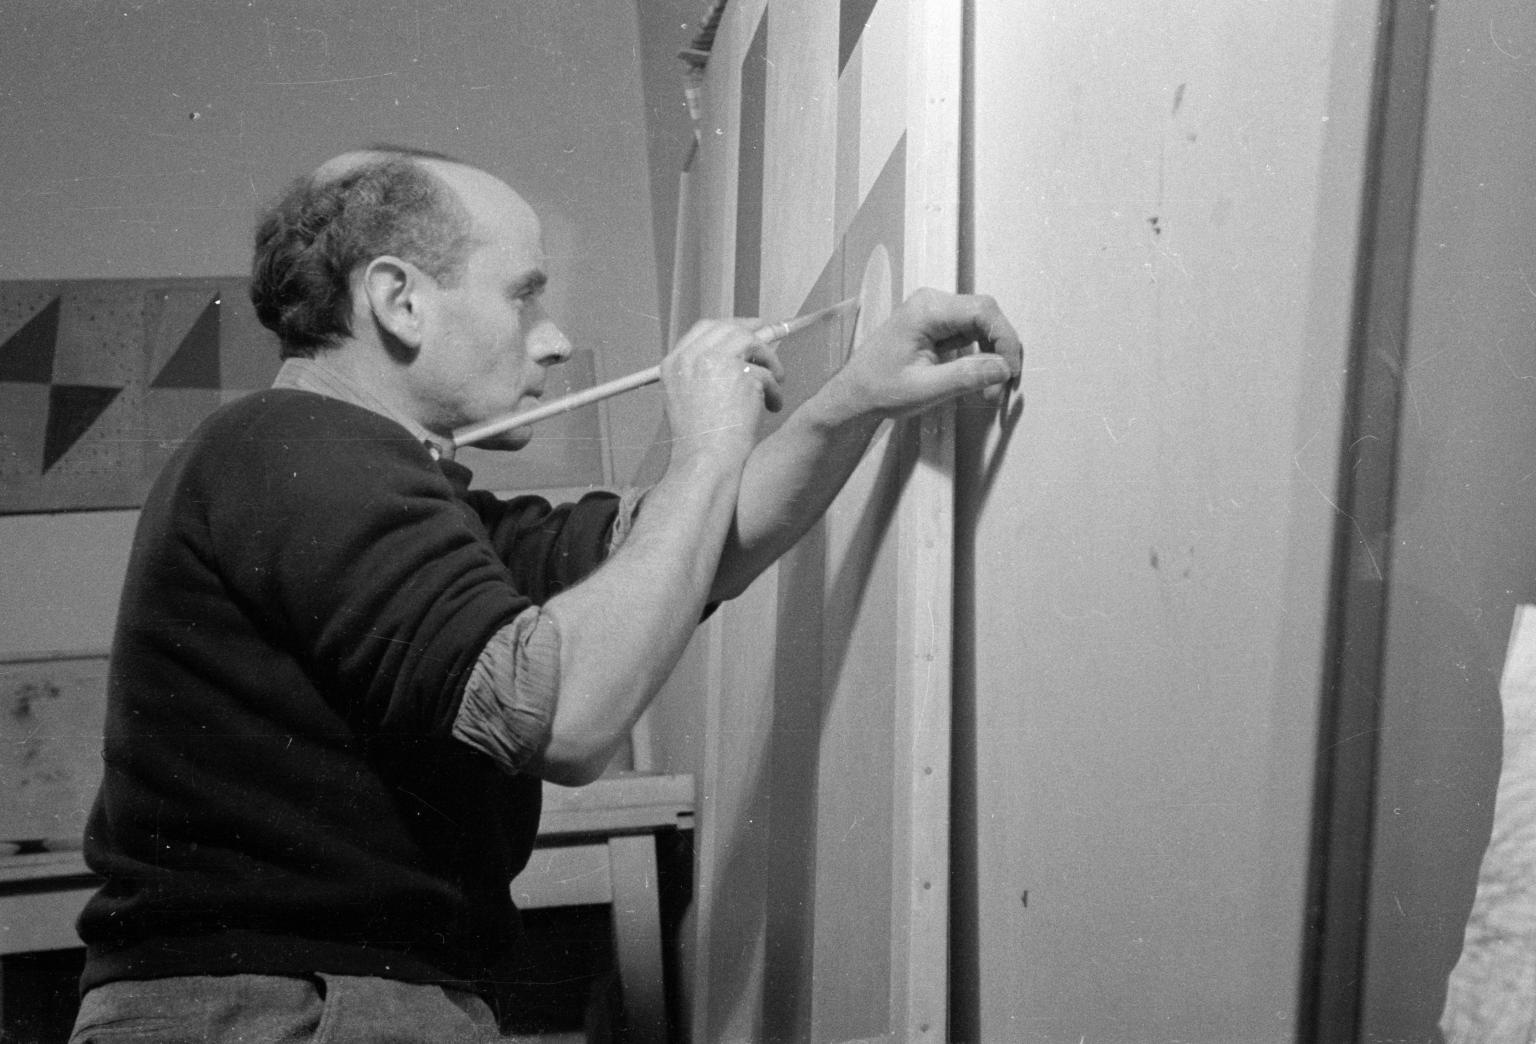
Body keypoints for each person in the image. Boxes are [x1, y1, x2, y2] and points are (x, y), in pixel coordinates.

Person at [67, 145, 1021, 1043]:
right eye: (524, 296)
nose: (556, 342)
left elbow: (685, 553)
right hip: (293, 1010)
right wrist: (706, 447)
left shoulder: (382, 486)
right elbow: (563, 714)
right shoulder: (296, 449)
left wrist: (851, 398)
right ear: (399, 300)